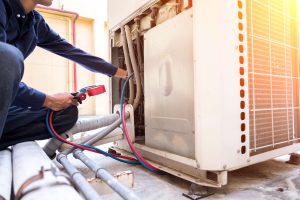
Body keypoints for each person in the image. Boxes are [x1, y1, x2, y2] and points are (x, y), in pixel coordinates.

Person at [0, 0, 127, 149]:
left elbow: (72, 52)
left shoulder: (34, 22)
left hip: (6, 106)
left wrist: (121, 73)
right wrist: (47, 100)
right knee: (8, 56)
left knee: (65, 113)